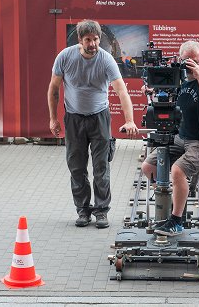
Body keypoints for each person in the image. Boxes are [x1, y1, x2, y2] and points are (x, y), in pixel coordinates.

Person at [47, 19, 138, 229]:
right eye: (88, 40)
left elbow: (121, 91)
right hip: (73, 119)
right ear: (80, 40)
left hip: (99, 118)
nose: (93, 44)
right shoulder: (65, 57)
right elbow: (53, 89)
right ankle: (83, 210)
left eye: (96, 39)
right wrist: (53, 118)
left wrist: (130, 120)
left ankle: (101, 211)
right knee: (77, 168)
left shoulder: (106, 60)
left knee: (101, 167)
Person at [141, 41, 199, 236]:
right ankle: (176, 203)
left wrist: (198, 76)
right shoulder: (178, 77)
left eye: (194, 61)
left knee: (177, 171)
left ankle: (177, 221)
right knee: (148, 167)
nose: (189, 66)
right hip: (181, 136)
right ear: (179, 59)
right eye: (186, 61)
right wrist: (156, 92)